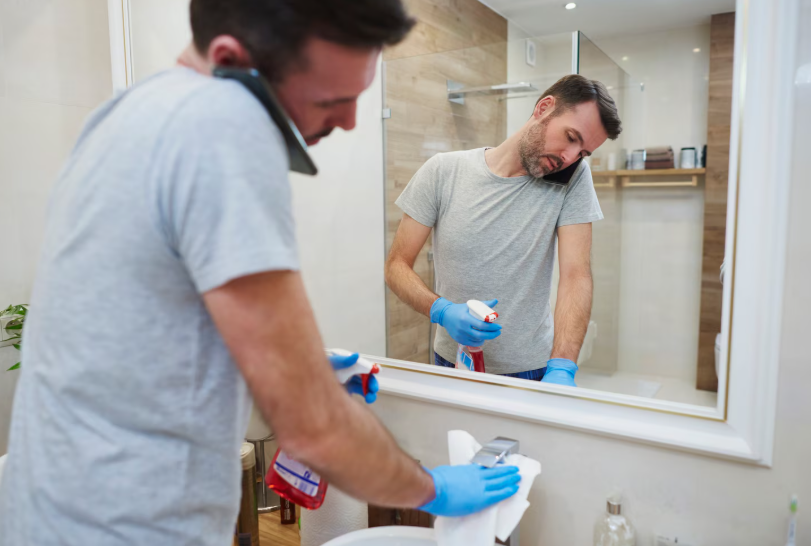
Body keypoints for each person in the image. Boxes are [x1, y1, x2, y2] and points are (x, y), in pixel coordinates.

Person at [0, 1, 521, 544]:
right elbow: (314, 428)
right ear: (231, 60)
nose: (349, 121)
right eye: (331, 99)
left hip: (50, 505)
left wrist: (286, 360)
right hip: (127, 522)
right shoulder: (224, 131)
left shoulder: (128, 112)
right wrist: (431, 488)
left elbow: (137, 319)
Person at [385, 75, 622, 387]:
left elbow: (576, 276)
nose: (569, 157)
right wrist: (440, 311)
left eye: (583, 152)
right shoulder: (443, 170)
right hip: (452, 361)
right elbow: (396, 266)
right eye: (570, 137)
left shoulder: (572, 179)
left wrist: (563, 365)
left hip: (531, 370)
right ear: (544, 108)